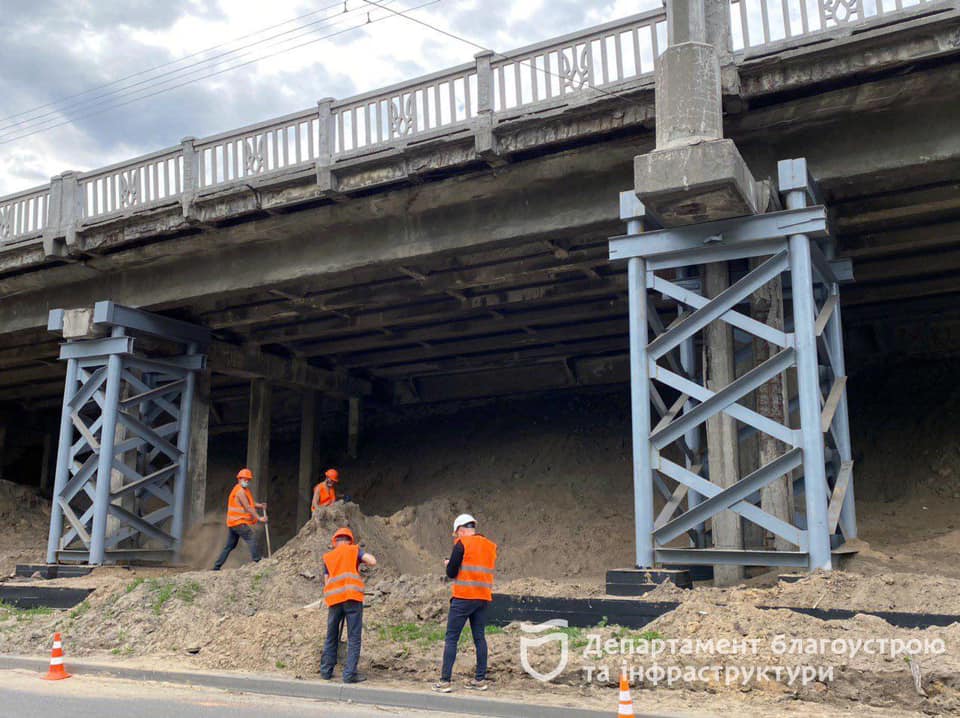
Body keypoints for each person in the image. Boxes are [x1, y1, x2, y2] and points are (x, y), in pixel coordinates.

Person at [433, 513, 497, 693]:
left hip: (463, 597)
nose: (457, 537)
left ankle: (445, 681)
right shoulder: (490, 546)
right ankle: (480, 680)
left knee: (452, 638)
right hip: (483, 597)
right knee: (479, 638)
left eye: (457, 533)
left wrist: (448, 563)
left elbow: (452, 572)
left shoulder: (462, 543)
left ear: (461, 530)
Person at [320, 527, 376, 683]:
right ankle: (349, 674)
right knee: (354, 637)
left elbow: (327, 582)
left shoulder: (328, 557)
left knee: (331, 635)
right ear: (350, 540)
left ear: (335, 542)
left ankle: (326, 671)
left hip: (334, 601)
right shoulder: (354, 550)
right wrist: (361, 556)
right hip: (352, 598)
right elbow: (372, 561)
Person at [212, 468, 267, 571]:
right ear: (239, 479)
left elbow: (251, 503)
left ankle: (216, 567)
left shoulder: (243, 490)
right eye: (244, 479)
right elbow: (248, 507)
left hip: (233, 523)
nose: (246, 481)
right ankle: (258, 561)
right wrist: (259, 518)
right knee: (251, 537)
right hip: (238, 522)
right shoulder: (240, 492)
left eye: (248, 480)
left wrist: (260, 505)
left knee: (229, 546)